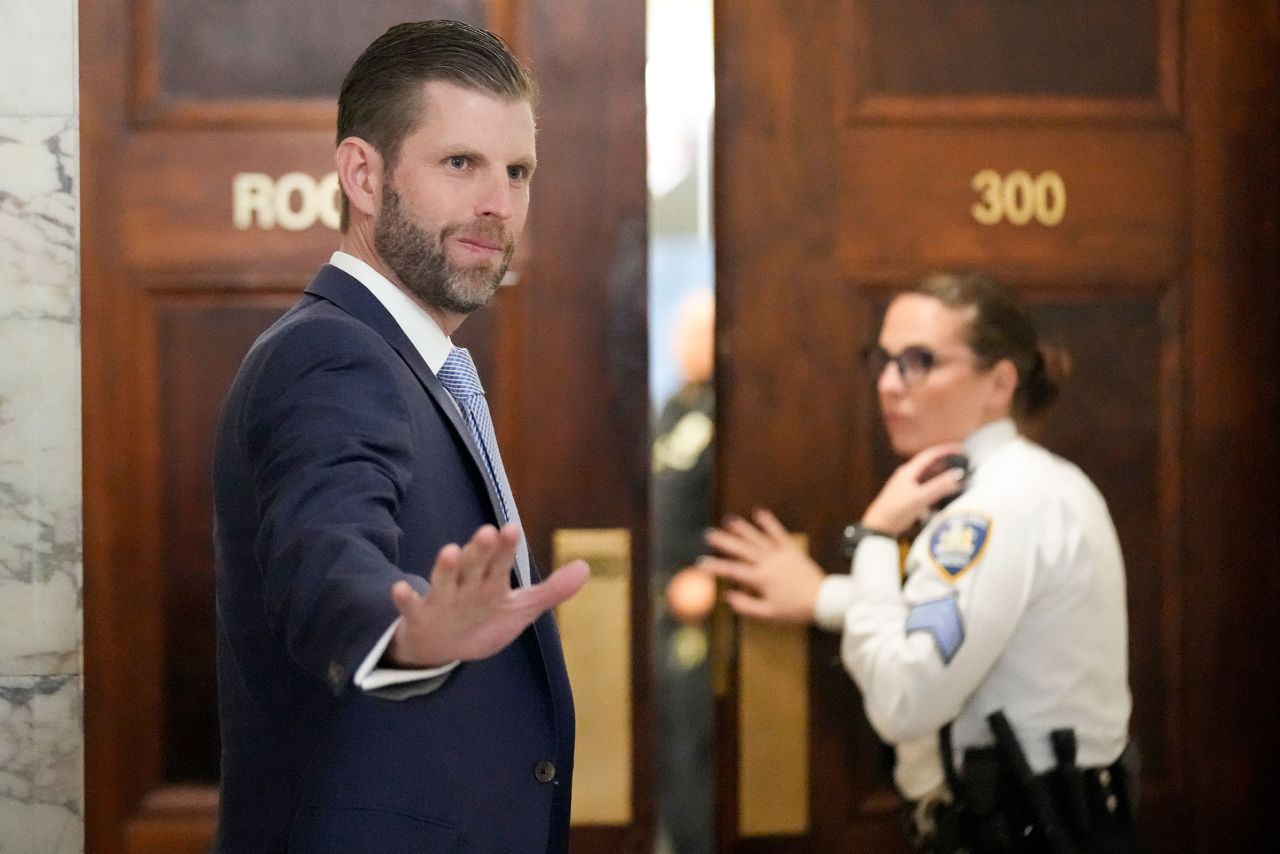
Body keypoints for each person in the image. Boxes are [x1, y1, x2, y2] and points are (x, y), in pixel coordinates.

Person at [211, 20, 589, 853]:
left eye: (517, 171)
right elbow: (324, 550)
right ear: (364, 176)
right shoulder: (332, 355)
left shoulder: (408, 359)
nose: (498, 202)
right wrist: (402, 634)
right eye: (461, 164)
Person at [703, 272, 1139, 853]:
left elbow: (903, 700)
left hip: (1023, 830)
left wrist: (876, 536)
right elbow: (980, 618)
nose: (888, 384)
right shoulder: (1037, 483)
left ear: (999, 382)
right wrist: (827, 598)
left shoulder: (994, 508)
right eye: (882, 359)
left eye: (920, 361)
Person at [651, 288, 716, 854]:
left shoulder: (732, 411)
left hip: (705, 614)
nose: (684, 342)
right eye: (682, 330)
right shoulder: (674, 406)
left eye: (697, 332)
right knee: (666, 736)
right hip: (658, 603)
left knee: (697, 742)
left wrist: (713, 577)